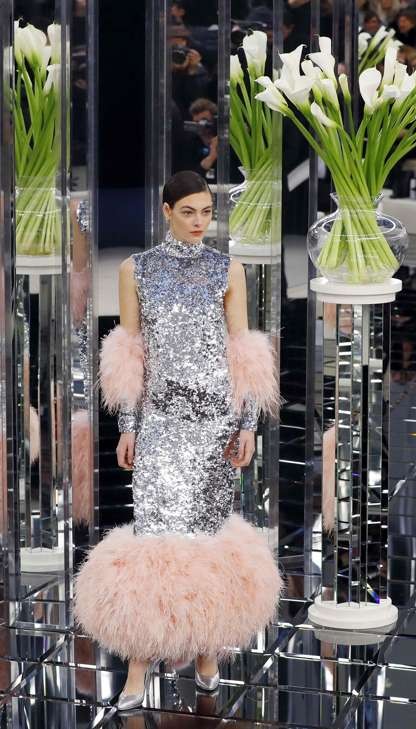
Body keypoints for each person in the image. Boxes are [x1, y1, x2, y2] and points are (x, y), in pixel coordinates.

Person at [73, 171, 282, 711]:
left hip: (214, 421)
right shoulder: (134, 270)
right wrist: (127, 425)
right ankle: (139, 671)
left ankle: (207, 651)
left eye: (205, 212)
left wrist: (247, 424)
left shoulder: (226, 268)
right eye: (187, 211)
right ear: (166, 211)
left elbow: (244, 352)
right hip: (162, 423)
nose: (198, 222)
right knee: (157, 544)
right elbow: (128, 353)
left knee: (205, 543)